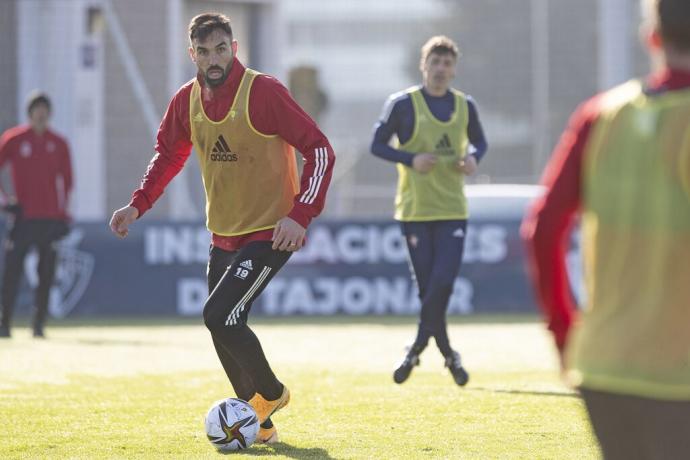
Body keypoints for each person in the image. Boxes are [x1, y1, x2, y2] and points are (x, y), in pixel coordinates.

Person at [109, 13, 334, 444]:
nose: (214, 59)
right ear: (191, 54)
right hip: (224, 234)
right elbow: (167, 156)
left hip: (273, 230)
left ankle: (272, 394)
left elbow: (320, 150)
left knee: (218, 315)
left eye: (221, 49)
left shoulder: (263, 91)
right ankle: (261, 427)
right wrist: (138, 205)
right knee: (221, 326)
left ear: (234, 48)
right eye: (205, 51)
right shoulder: (186, 100)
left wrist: (300, 214)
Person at [522, 0, 690, 457]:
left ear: (651, 37)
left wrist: (565, 334)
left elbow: (541, 229)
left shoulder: (600, 115)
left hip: (604, 364)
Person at [370, 36, 488, 386]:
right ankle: (449, 355)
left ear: (454, 70)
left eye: (447, 63)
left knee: (443, 284)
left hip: (452, 209)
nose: (440, 69)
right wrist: (411, 159)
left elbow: (481, 141)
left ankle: (416, 348)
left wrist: (473, 159)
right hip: (415, 211)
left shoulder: (465, 106)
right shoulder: (403, 105)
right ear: (424, 66)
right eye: (434, 62)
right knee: (429, 291)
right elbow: (376, 144)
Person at [0, 92, 72, 339]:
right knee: (12, 272)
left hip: (49, 220)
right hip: (23, 218)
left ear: (49, 113)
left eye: (44, 109)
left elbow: (68, 182)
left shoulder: (59, 143)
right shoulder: (14, 139)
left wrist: (63, 214)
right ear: (29, 113)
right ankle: (5, 323)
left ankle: (38, 325)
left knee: (46, 274)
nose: (40, 114)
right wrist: (5, 201)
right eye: (36, 109)